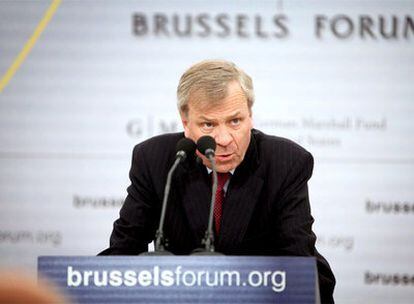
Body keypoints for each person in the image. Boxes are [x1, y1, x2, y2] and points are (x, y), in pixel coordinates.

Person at [100, 59, 336, 302]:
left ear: (250, 116)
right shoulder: (156, 160)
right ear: (186, 124)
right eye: (208, 124)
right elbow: (122, 254)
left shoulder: (285, 162)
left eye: (235, 121)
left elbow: (298, 261)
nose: (223, 138)